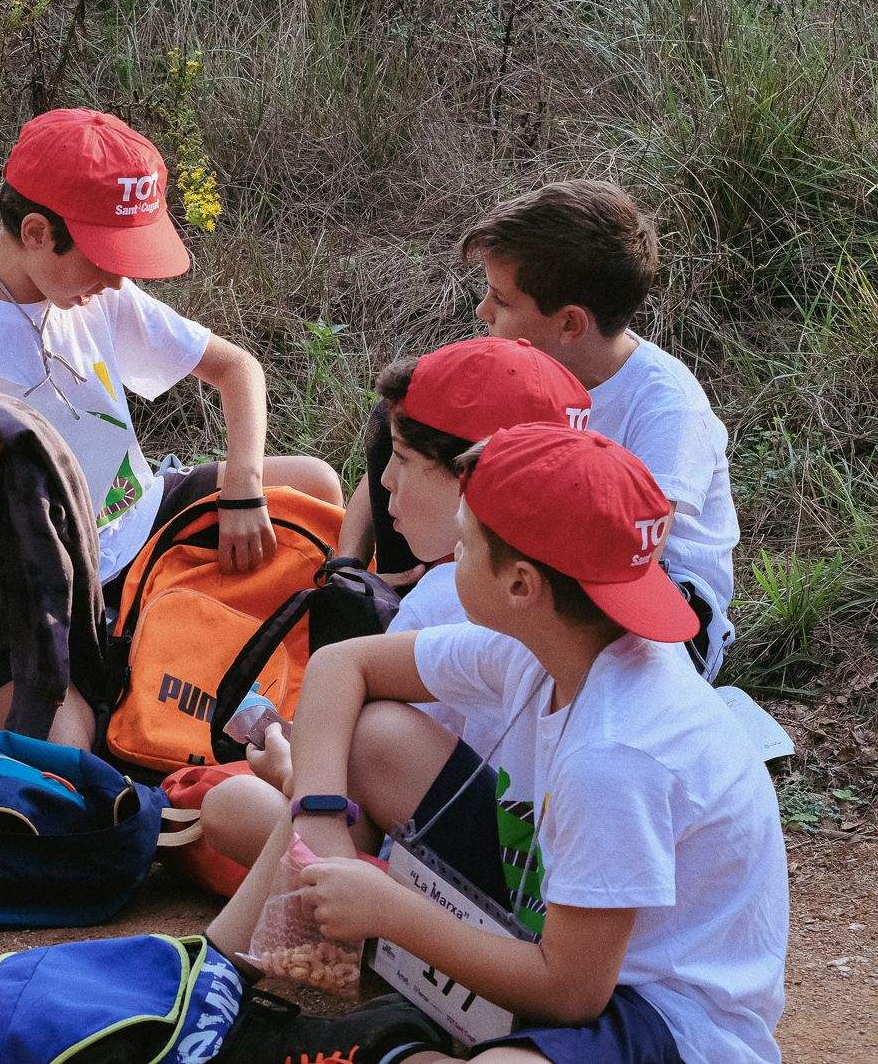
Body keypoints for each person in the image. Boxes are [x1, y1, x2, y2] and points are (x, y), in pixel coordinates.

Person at [207, 425, 787, 1064]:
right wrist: (319, 815)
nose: (452, 558)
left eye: (463, 543)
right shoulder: (551, 644)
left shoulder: (616, 753)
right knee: (375, 740)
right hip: (550, 906)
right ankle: (211, 983)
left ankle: (398, 1044)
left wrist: (393, 913)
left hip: (660, 1013)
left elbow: (569, 994)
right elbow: (344, 665)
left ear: (520, 586)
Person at [0, 108, 340, 747]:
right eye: (105, 256)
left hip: (139, 515)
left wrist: (245, 486)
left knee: (314, 482)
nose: (119, 277)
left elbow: (236, 369)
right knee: (63, 747)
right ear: (35, 231)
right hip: (26, 572)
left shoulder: (99, 293)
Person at [200, 336, 590, 868]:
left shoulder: (445, 598)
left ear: (470, 477)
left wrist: (291, 771)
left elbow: (370, 774)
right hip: (534, 843)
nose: (383, 480)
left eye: (401, 459)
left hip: (473, 871)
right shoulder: (568, 585)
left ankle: (366, 920)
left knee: (230, 804)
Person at [339, 180, 737, 677]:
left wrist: (471, 578)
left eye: (501, 300)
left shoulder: (666, 411)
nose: (482, 311)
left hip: (648, 606)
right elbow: (411, 451)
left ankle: (418, 634)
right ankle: (387, 608)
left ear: (569, 324)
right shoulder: (524, 367)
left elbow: (628, 559)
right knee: (405, 415)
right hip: (519, 563)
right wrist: (348, 568)